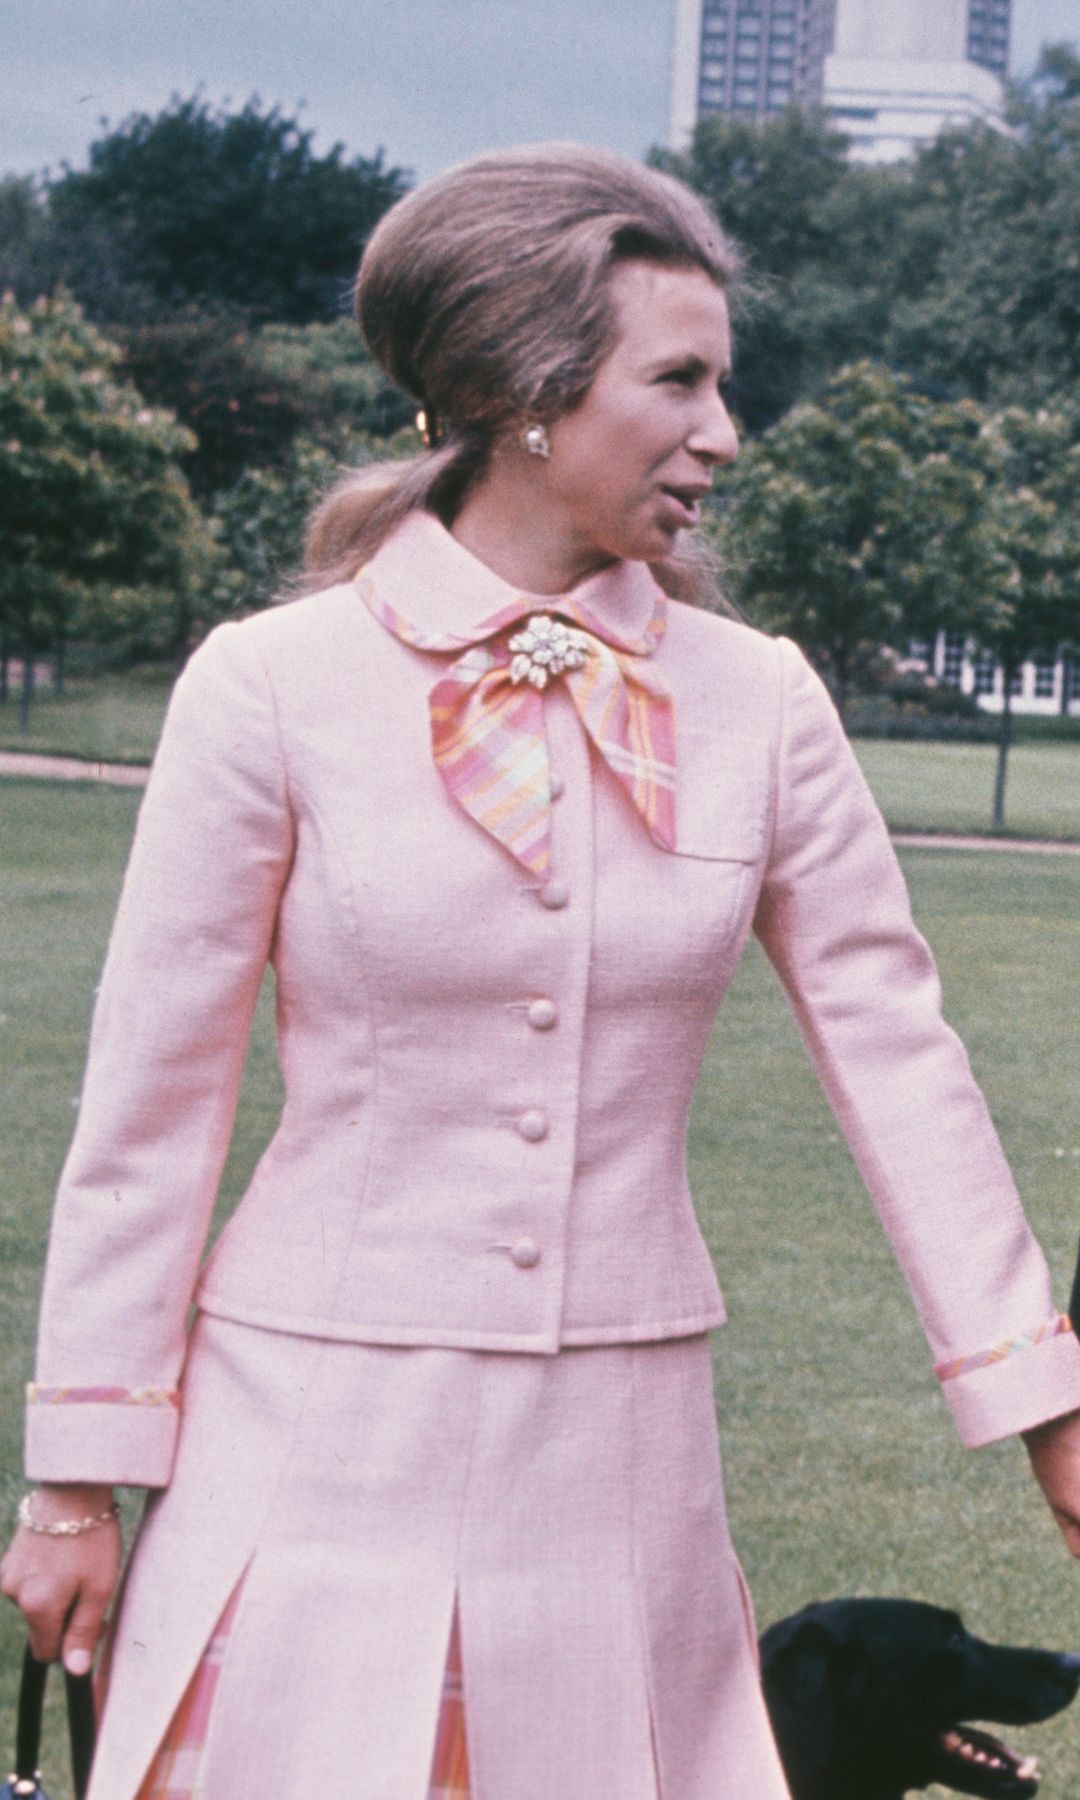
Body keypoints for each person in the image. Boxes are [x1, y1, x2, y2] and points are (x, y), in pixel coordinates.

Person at [4, 142, 1080, 1800]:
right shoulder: (267, 688)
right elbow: (150, 1107)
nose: (726, 433)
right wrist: (77, 1480)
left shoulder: (764, 702)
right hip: (310, 1441)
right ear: (524, 391)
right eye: (681, 381)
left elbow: (900, 1056)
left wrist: (1046, 1404)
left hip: (619, 1469)